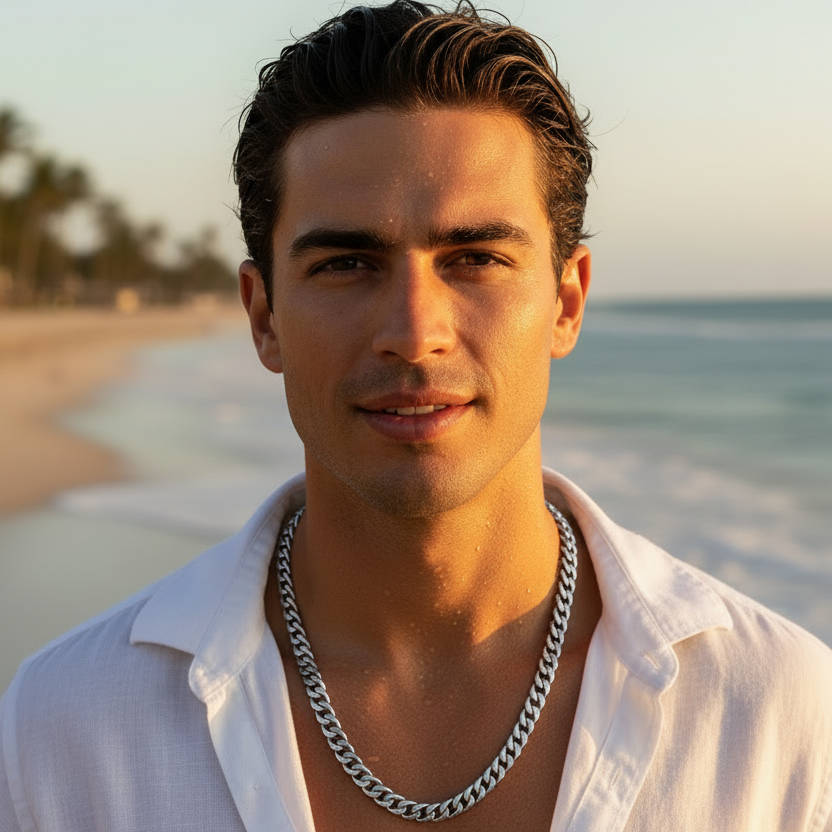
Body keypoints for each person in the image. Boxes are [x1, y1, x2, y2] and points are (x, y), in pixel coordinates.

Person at [2, 2, 831, 830]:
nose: (412, 333)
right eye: (347, 263)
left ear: (566, 304)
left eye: (475, 259)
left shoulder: (778, 717)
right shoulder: (69, 726)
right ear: (263, 317)